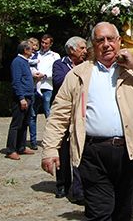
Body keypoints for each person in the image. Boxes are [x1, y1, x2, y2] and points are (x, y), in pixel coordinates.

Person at [41, 22, 133, 221]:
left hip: (130, 151)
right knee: (99, 213)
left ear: (120, 41)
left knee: (123, 212)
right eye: (101, 40)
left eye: (111, 39)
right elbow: (59, 114)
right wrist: (50, 149)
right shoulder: (78, 74)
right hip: (92, 153)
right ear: (93, 45)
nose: (107, 44)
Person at [50, 36, 87, 201]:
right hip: (64, 111)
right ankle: (62, 184)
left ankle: (80, 189)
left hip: (80, 112)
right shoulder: (59, 64)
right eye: (82, 48)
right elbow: (58, 81)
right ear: (71, 49)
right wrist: (77, 75)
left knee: (80, 148)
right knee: (62, 150)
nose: (85, 51)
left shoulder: (88, 66)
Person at [4, 41, 37, 160]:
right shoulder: (17, 62)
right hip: (21, 98)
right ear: (25, 50)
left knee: (24, 124)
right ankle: (11, 149)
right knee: (16, 124)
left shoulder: (25, 61)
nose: (33, 50)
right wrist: (21, 98)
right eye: (31, 49)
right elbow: (16, 82)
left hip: (29, 96)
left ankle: (21, 147)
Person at [36, 34, 61, 116]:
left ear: (51, 44)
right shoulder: (36, 54)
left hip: (48, 86)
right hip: (35, 85)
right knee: (33, 112)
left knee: (47, 110)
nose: (43, 45)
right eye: (42, 42)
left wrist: (45, 75)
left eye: (46, 43)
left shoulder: (55, 56)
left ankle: (50, 125)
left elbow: (57, 71)